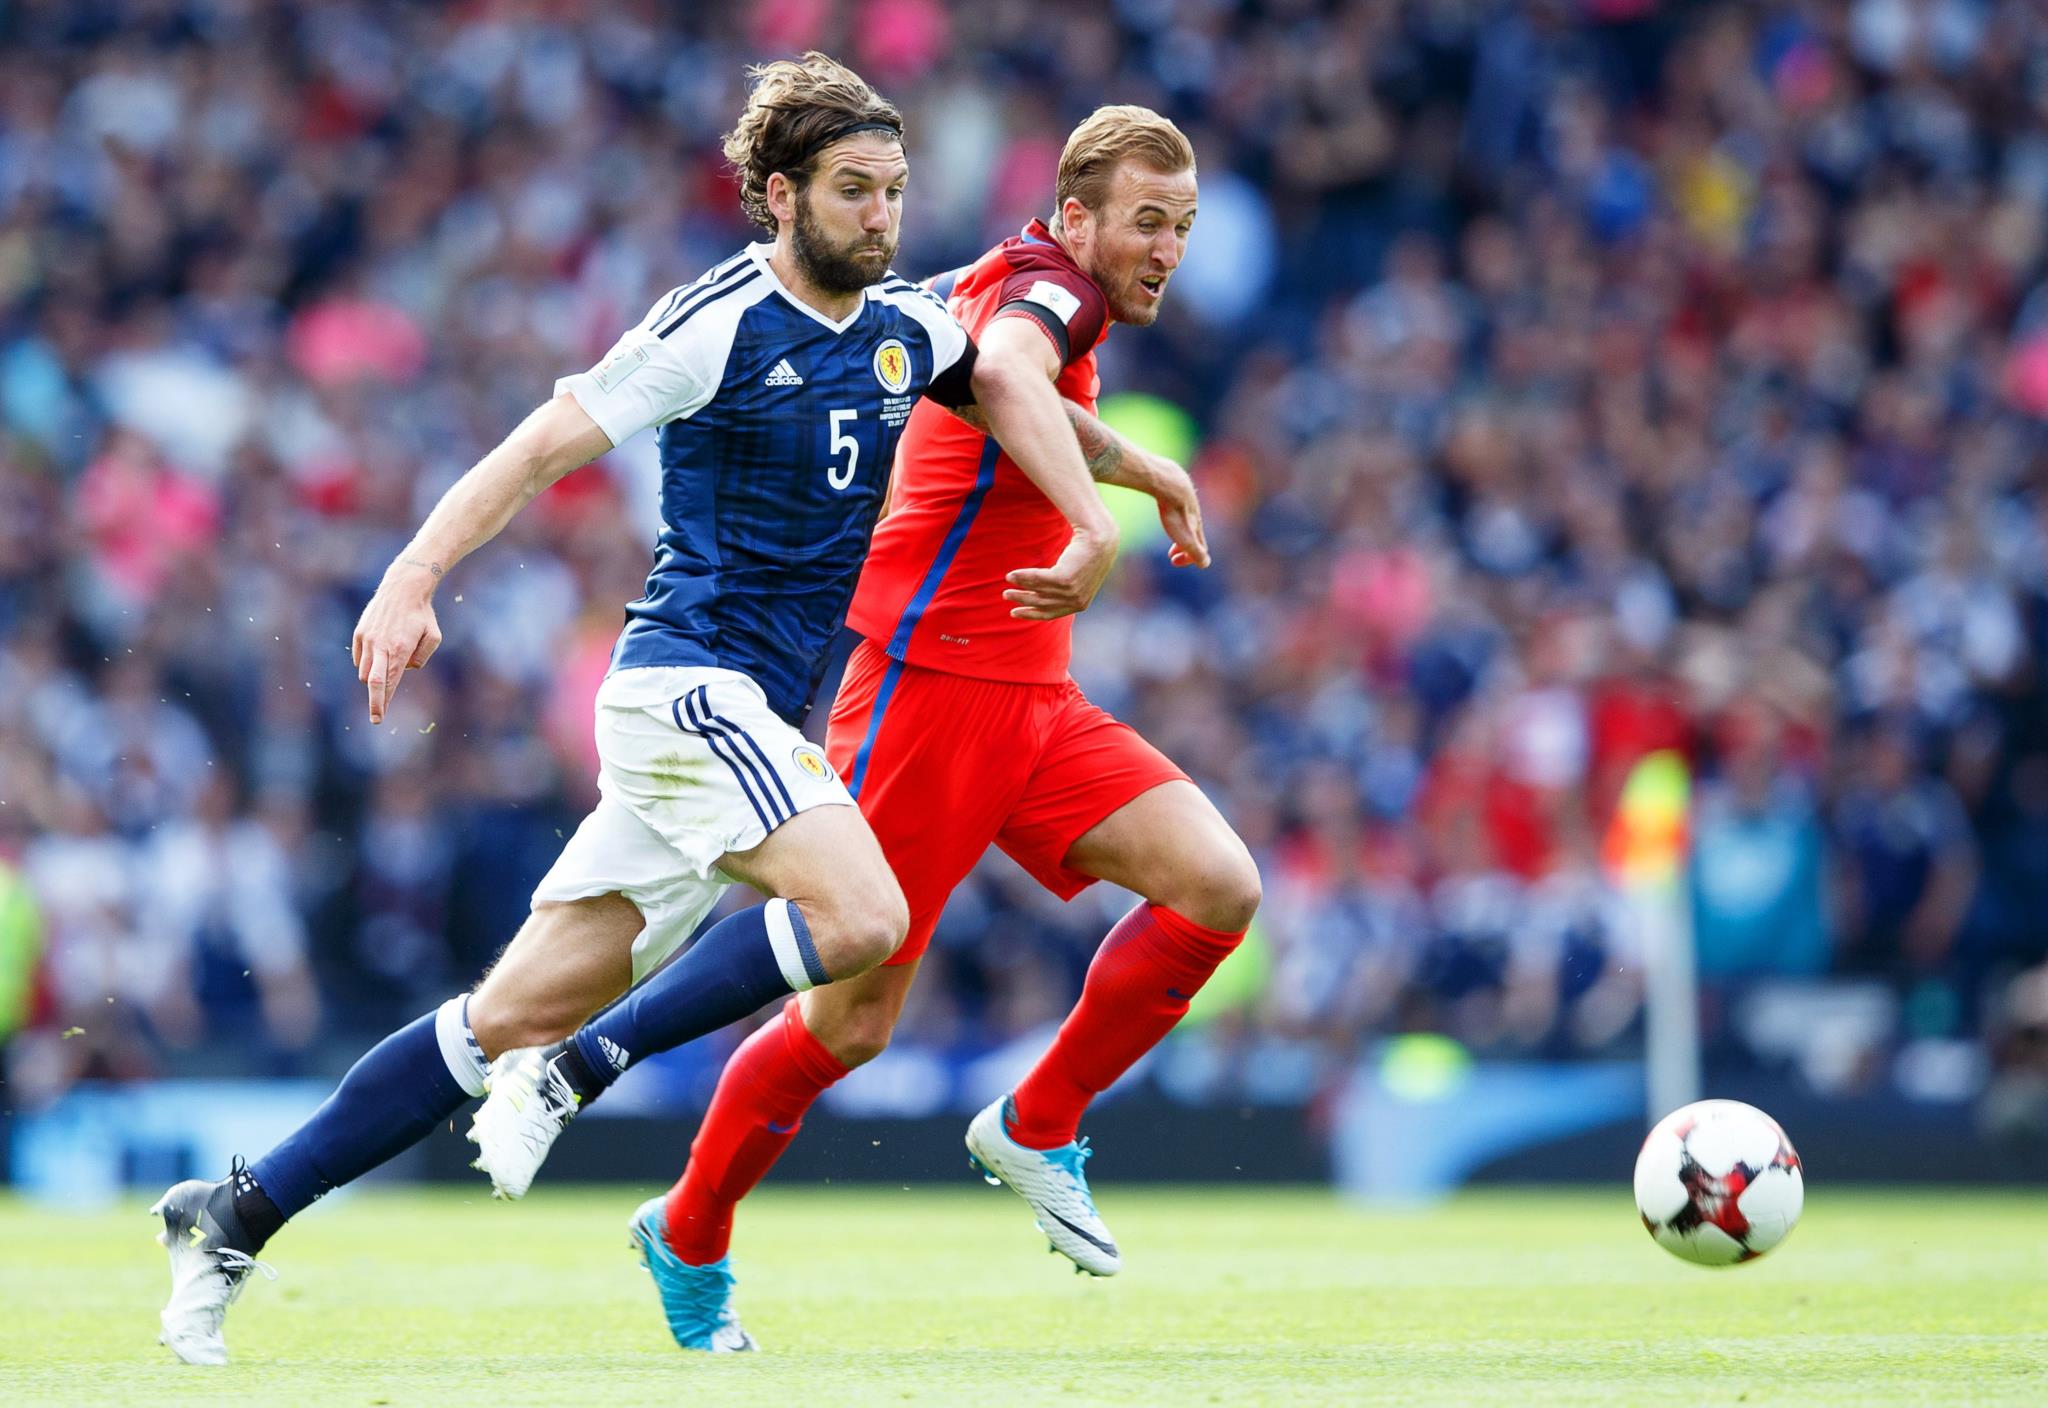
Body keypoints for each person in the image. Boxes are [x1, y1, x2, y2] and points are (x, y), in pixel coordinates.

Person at [149, 52, 1118, 1367]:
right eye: (852, 191)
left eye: (894, 191)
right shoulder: (712, 322)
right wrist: (413, 576)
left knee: (502, 1014)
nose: (882, 216)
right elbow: (543, 444)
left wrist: (1132, 474)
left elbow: (1009, 387)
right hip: (685, 690)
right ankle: (584, 1073)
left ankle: (236, 1213)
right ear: (779, 195)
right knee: (866, 914)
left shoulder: (907, 327)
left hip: (743, 723)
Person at [475, 105, 1262, 1351]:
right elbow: (1006, 372)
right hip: (927, 694)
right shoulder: (1049, 291)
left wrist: (1141, 470)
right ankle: (684, 1223)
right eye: (1146, 222)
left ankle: (1038, 1121)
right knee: (849, 1017)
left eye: (1183, 226)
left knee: (1216, 887)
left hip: (1033, 698)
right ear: (1073, 219)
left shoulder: (1009, 282)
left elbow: (994, 381)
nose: (1167, 248)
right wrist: (1094, 521)